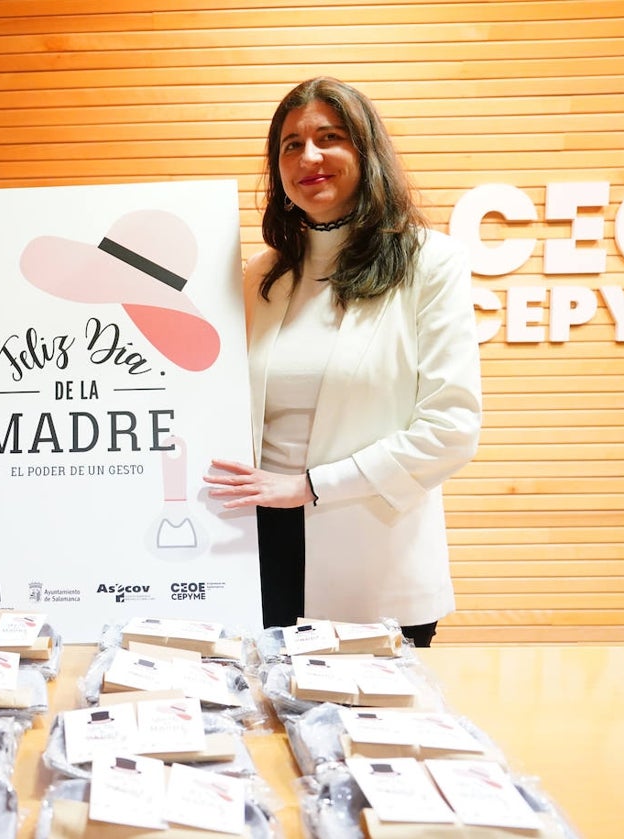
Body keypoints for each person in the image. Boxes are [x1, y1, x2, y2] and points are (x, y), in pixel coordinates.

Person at [204, 78, 482, 647]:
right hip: (254, 548)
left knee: (364, 731)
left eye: (329, 137)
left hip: (373, 558)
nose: (309, 157)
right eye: (290, 144)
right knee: (265, 721)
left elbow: (451, 429)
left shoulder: (431, 263)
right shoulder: (262, 274)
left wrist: (310, 486)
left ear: (366, 151)